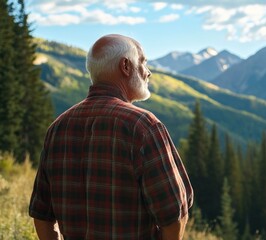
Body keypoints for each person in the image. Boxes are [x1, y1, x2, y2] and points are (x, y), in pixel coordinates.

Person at [29, 34, 193, 240]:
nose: (148, 72)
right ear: (125, 66)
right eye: (142, 62)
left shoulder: (57, 127)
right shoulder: (143, 126)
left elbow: (42, 216)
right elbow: (174, 217)